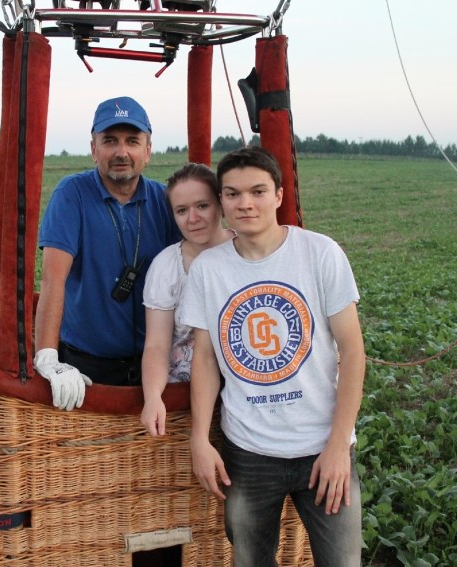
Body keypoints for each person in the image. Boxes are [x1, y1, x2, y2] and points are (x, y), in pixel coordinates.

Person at [178, 146, 366, 566]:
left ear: (280, 195)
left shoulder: (320, 254)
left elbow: (353, 351)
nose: (245, 203)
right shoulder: (209, 270)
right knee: (250, 560)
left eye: (257, 191)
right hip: (249, 453)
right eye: (232, 194)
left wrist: (338, 445)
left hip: (322, 448)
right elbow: (205, 360)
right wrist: (198, 438)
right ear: (222, 201)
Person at [33, 96, 180, 411]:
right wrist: (47, 356)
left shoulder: (163, 200)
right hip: (88, 365)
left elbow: (194, 266)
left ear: (148, 151)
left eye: (132, 142)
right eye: (110, 141)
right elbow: (52, 280)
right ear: (94, 149)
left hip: (154, 364)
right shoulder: (72, 195)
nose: (121, 152)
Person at [141, 163, 235, 436]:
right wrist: (154, 397)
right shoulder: (167, 266)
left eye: (202, 206)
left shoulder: (247, 249)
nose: (192, 218)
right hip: (185, 390)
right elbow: (157, 345)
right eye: (182, 210)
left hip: (243, 390)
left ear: (220, 203)